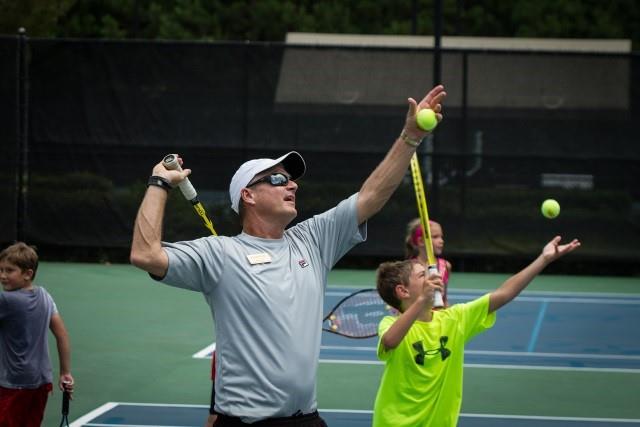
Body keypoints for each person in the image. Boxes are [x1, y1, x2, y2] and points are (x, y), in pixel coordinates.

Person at [130, 85, 446, 425]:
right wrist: (159, 182)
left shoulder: (313, 240)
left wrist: (410, 137)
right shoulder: (221, 253)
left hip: (306, 419)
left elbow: (371, 195)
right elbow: (145, 254)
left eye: (292, 180)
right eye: (278, 179)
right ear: (248, 195)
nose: (292, 185)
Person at [373, 236, 581, 427]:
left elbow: (503, 293)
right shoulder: (389, 324)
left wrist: (543, 260)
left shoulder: (454, 319)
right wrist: (422, 300)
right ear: (403, 291)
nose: (433, 275)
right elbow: (390, 341)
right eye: (423, 274)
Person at [0, 242, 74, 427]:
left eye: (9, 270)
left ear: (28, 274)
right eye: (1, 270)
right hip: (41, 382)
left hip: (13, 384)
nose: (2, 276)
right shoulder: (44, 295)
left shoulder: (7, 301)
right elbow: (62, 335)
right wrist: (65, 373)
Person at [405, 218, 452, 306]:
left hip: (439, 317)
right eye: (435, 237)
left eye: (441, 237)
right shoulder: (409, 268)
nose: (441, 241)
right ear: (421, 241)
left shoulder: (446, 266)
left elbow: (444, 299)